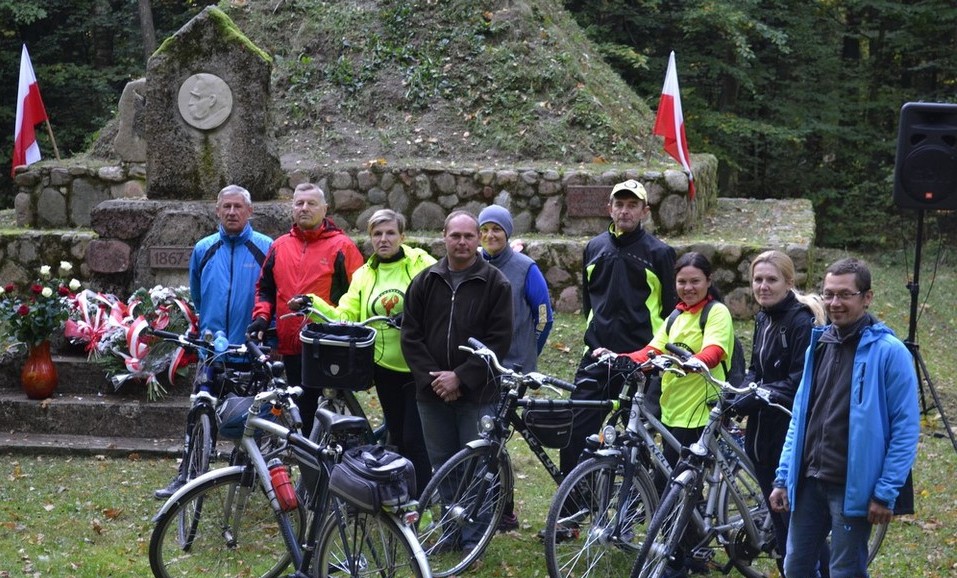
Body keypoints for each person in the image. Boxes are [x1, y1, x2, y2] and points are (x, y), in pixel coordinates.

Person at [769, 258, 920, 578]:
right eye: (828, 294)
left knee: (844, 570)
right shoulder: (818, 346)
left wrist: (885, 492)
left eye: (844, 295)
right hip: (809, 481)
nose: (835, 303)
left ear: (867, 297)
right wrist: (783, 477)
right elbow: (799, 418)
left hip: (853, 487)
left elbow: (905, 430)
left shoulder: (890, 352)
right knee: (794, 565)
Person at [294, 209, 436, 490]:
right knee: (396, 435)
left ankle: (423, 502)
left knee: (413, 438)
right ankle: (401, 494)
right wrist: (312, 303)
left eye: (390, 233)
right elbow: (346, 315)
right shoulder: (364, 275)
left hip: (418, 366)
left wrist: (413, 317)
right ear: (370, 238)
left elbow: (439, 302)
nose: (384, 239)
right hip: (384, 368)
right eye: (377, 234)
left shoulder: (421, 263)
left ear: (402, 236)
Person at [400, 210, 512, 551]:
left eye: (468, 236)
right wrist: (436, 379)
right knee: (443, 467)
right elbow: (410, 335)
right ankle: (450, 530)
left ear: (478, 239)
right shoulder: (425, 281)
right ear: (444, 238)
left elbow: (499, 339)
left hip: (478, 395)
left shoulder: (496, 283)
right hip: (432, 394)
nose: (462, 242)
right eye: (455, 236)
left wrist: (460, 378)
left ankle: (473, 539)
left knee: (478, 468)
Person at [154, 184, 273, 499]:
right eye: (226, 207)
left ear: (249, 211)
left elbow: (272, 293)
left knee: (252, 418)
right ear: (217, 211)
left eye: (238, 206)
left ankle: (248, 470)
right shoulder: (203, 248)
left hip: (250, 348)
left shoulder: (265, 247)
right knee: (199, 411)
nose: (232, 212)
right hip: (212, 350)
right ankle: (187, 475)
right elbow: (197, 293)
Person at [559, 179, 677, 478]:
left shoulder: (659, 253)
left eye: (632, 205)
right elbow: (589, 301)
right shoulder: (594, 247)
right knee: (576, 429)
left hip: (642, 359)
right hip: (597, 355)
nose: (625, 211)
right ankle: (572, 506)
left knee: (639, 436)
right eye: (619, 204)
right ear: (608, 208)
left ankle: (639, 499)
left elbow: (669, 308)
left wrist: (654, 353)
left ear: (644, 211)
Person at [733, 250, 826, 574]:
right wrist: (740, 392)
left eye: (771, 280)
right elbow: (757, 369)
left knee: (798, 531)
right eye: (758, 280)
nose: (763, 286)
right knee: (782, 524)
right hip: (761, 437)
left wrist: (756, 396)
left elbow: (801, 382)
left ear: (789, 282)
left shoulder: (800, 322)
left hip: (789, 438)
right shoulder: (764, 317)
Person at [247, 182, 364, 437]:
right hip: (291, 347)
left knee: (331, 415)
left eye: (311, 203)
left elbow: (359, 293)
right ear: (292, 209)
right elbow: (265, 288)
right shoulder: (279, 246)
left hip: (328, 346)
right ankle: (308, 466)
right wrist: (262, 318)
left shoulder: (343, 246)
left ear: (325, 209)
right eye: (299, 203)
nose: (304, 208)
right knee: (302, 411)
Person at [478, 204, 554, 532]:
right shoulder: (474, 262)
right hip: (480, 363)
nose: (491, 235)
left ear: (508, 233)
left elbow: (545, 317)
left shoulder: (525, 267)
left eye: (497, 229)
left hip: (512, 367)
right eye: (485, 230)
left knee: (494, 434)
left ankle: (504, 511)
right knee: (485, 435)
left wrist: (528, 353)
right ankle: (490, 506)